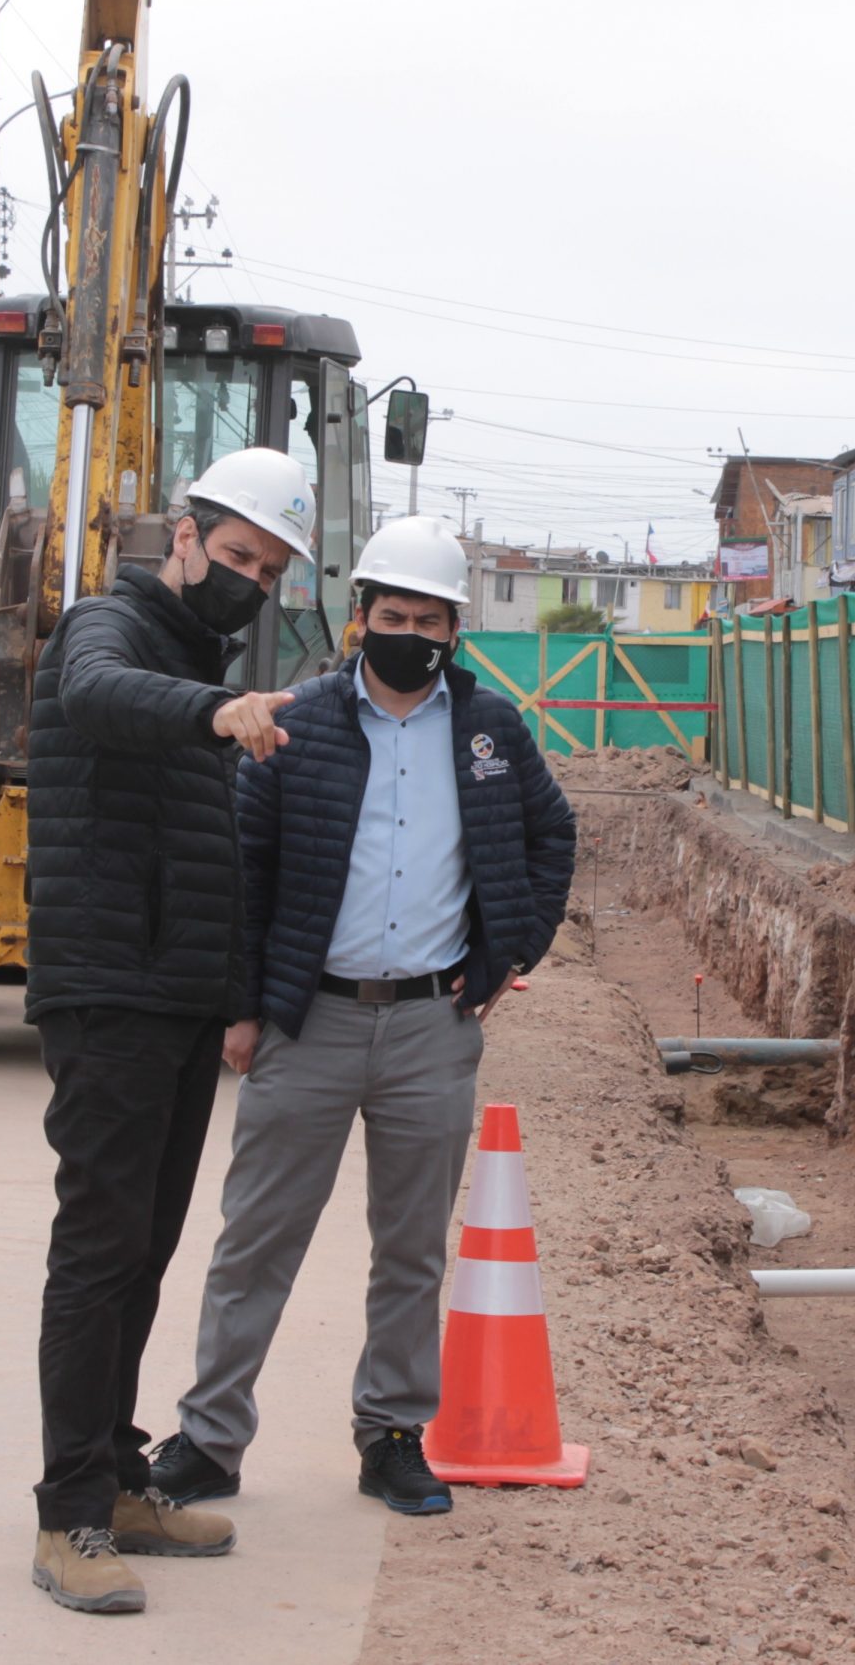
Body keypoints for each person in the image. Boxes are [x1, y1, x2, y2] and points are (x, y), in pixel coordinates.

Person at [146, 516, 577, 1517]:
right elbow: (243, 866)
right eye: (393, 616)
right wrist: (243, 1008)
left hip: (431, 1026)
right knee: (256, 1240)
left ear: (454, 629)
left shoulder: (489, 731)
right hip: (309, 1023)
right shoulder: (297, 723)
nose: (409, 635)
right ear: (360, 617)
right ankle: (210, 1438)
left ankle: (390, 1435)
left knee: (412, 1249)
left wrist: (510, 951)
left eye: (429, 621)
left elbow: (550, 834)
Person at [23, 445, 311, 1616]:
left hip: (180, 997)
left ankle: (118, 1475)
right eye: (238, 553)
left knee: (142, 1254)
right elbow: (97, 696)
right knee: (97, 1255)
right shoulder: (109, 626)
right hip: (110, 993)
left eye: (271, 569)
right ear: (184, 539)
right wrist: (210, 711)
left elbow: (210, 860)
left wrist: (235, 997)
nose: (251, 580)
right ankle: (69, 1518)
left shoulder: (200, 660)